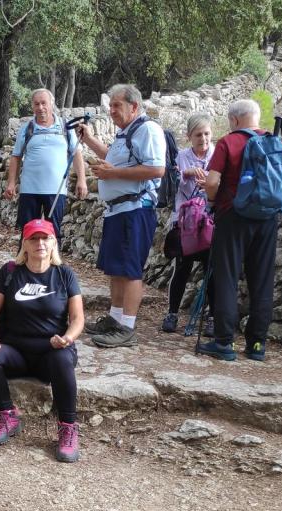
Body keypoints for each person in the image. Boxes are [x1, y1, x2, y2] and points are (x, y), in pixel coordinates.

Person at [196, 99, 282, 361]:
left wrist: (212, 202)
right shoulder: (279, 143)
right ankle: (256, 345)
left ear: (234, 120)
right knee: (262, 280)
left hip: (233, 216)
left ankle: (224, 342)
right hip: (267, 219)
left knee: (227, 277)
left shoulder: (228, 142)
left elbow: (212, 182)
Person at [0, 219, 85, 462]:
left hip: (51, 352)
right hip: (15, 352)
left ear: (54, 243)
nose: (40, 243)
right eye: (34, 238)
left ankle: (68, 427)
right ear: (24, 244)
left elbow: (78, 318)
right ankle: (8, 415)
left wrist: (67, 338)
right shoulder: (9, 272)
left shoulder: (64, 275)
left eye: (45, 238)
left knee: (61, 359)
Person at [76, 84, 166, 348]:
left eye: (117, 105)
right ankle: (115, 320)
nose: (112, 111)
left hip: (135, 209)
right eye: (111, 106)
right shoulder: (126, 133)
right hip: (119, 210)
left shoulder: (147, 129)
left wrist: (112, 174)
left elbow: (157, 169)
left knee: (130, 270)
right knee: (116, 268)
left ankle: (127, 327)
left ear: (134, 106)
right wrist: (89, 140)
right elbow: (113, 160)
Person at [5, 89, 89, 245]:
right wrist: (11, 183)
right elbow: (16, 157)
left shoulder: (65, 127)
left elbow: (76, 154)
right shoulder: (27, 128)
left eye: (44, 103)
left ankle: (53, 261)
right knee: (28, 234)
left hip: (56, 190)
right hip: (29, 189)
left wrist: (82, 180)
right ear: (32, 106)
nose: (40, 107)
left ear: (51, 103)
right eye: (36, 104)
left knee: (53, 234)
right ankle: (25, 261)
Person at [163, 114, 216, 335]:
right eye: (198, 135)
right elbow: (174, 184)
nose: (203, 138)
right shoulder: (181, 157)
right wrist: (187, 172)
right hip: (186, 223)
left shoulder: (217, 155)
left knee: (211, 270)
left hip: (209, 221)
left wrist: (210, 185)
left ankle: (212, 317)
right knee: (182, 267)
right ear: (189, 136)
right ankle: (172, 313)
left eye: (206, 134)